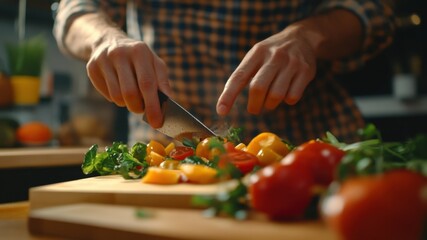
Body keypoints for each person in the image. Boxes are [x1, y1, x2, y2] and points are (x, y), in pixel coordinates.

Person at [53, 0, 394, 146]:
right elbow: (75, 9)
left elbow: (375, 10)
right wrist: (103, 38)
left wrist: (309, 36)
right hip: (165, 152)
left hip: (306, 148)